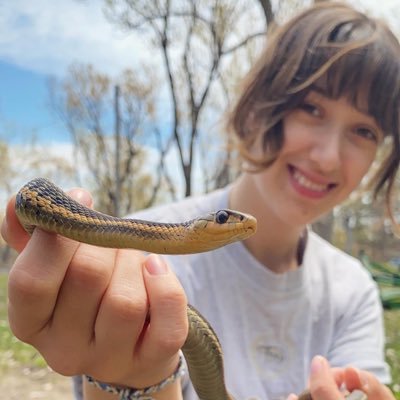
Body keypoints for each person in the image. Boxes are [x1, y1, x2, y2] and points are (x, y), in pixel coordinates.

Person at [2, 2, 400, 400]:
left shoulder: (355, 292)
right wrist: (134, 383)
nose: (328, 156)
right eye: (311, 108)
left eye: (364, 131)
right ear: (259, 105)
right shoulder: (132, 258)